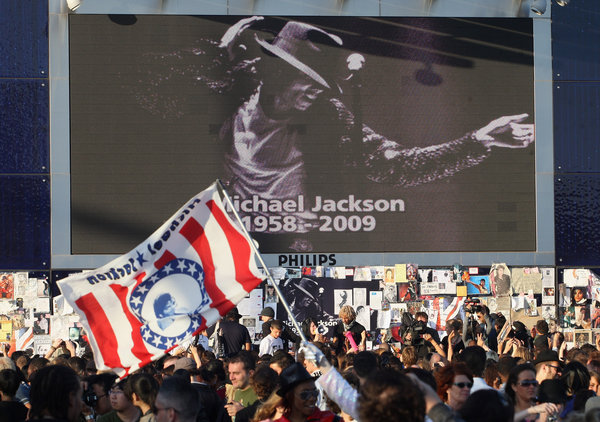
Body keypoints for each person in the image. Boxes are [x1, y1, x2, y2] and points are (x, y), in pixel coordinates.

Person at [224, 352, 258, 419]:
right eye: (229, 373)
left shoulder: (259, 394)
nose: (231, 377)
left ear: (250, 373)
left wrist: (243, 411)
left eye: (236, 373)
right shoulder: (237, 391)